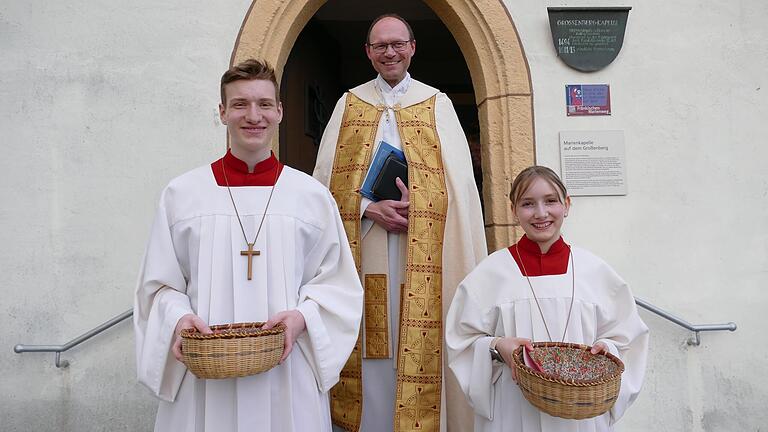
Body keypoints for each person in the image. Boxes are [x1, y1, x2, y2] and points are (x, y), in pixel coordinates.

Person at [134, 59, 363, 432]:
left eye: (264, 104)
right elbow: (159, 286)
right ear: (222, 113)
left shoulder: (311, 197)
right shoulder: (182, 195)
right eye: (239, 104)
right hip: (206, 375)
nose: (253, 115)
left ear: (279, 112)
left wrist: (302, 317)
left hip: (286, 373)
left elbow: (338, 287)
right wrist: (179, 319)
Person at [313, 13, 487, 432]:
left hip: (423, 253)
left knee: (417, 342)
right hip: (365, 246)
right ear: (368, 52)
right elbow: (323, 188)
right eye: (380, 46)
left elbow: (459, 188)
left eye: (397, 44)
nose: (389, 52)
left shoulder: (436, 104)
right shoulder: (349, 104)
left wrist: (419, 209)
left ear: (411, 47)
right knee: (373, 347)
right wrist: (367, 209)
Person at [445, 166, 649, 432]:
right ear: (513, 211)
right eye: (528, 204)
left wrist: (605, 349)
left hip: (580, 414)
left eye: (551, 201)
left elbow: (629, 340)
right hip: (513, 409)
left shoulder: (596, 272)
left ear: (566, 205)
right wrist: (496, 347)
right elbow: (461, 342)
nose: (541, 213)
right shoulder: (490, 274)